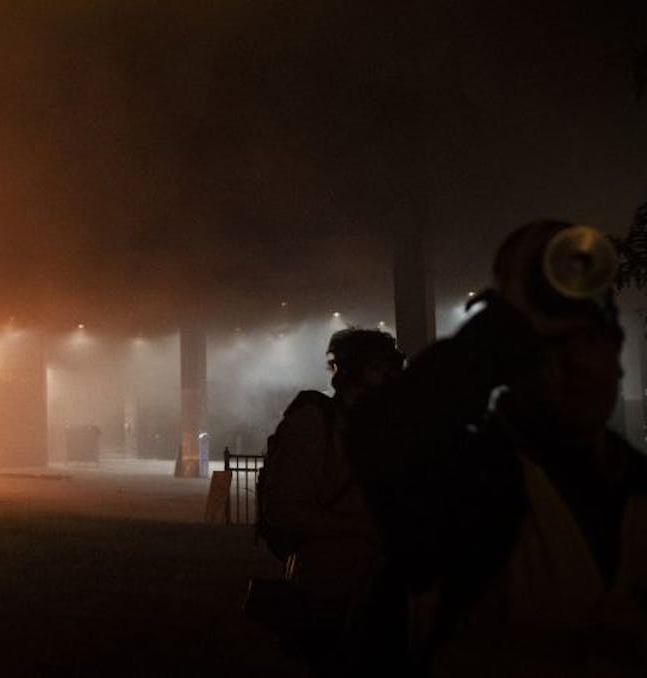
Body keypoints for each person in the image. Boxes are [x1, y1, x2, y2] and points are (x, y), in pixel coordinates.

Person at [346, 219, 647, 676]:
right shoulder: (472, 484)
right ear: (509, 360)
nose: (577, 364)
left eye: (591, 340)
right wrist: (506, 322)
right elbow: (384, 433)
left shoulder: (639, 490)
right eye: (549, 348)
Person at [254, 327, 406, 675]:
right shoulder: (313, 425)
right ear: (362, 371)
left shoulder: (387, 428)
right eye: (388, 366)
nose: (398, 375)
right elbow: (282, 510)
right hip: (329, 590)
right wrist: (365, 528)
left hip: (385, 591)